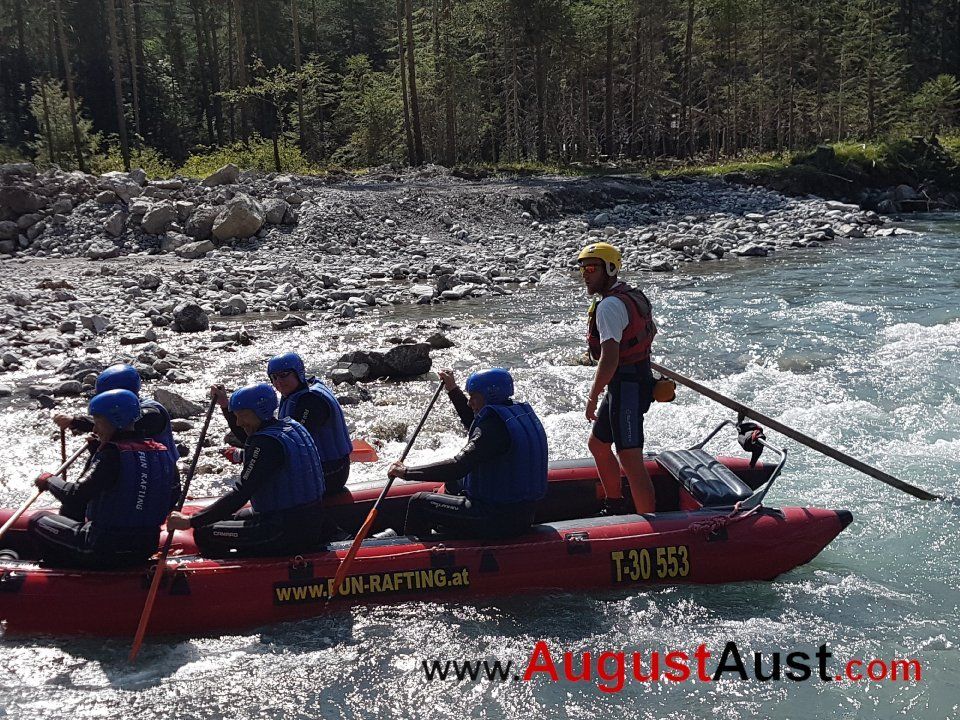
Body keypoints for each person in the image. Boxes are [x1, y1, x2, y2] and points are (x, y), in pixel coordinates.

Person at [166, 383, 333, 558]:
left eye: (242, 415)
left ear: (259, 412)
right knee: (224, 519)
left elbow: (241, 493)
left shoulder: (266, 445)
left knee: (204, 532)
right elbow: (248, 435)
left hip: (284, 530)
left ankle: (243, 575)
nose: (238, 422)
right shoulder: (290, 426)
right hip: (303, 520)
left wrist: (191, 521)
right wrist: (225, 405)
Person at [388, 368, 548, 539]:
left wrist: (406, 472)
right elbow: (474, 423)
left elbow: (458, 467)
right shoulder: (509, 415)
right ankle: (446, 530)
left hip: (495, 519)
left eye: (473, 397)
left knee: (419, 503)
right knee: (452, 484)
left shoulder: (493, 429)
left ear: (488, 396)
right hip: (519, 513)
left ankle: (414, 557)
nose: (470, 402)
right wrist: (452, 389)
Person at [28, 389, 177, 568]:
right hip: (145, 546)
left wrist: (48, 480)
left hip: (102, 547)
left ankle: (60, 572)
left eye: (98, 421)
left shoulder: (111, 455)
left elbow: (75, 496)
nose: (95, 428)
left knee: (37, 520)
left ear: (116, 421)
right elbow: (171, 495)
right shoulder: (161, 452)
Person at [578, 241, 658, 515]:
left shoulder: (609, 307)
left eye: (591, 268)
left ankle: (650, 523)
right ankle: (615, 504)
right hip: (629, 381)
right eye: (583, 270)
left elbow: (609, 358)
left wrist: (592, 396)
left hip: (628, 387)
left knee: (629, 457)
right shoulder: (631, 295)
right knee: (598, 444)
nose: (586, 274)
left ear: (609, 269)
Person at [214, 352, 353, 495]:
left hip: (331, 473)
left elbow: (290, 446)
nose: (278, 381)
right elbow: (261, 436)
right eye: (274, 377)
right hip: (320, 468)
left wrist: (242, 455)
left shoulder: (312, 402)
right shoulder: (294, 394)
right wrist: (225, 405)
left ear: (298, 373)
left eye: (284, 375)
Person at [53, 363, 182, 472]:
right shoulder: (126, 409)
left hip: (161, 475)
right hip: (138, 469)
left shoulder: (152, 413)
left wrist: (77, 422)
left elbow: (118, 424)